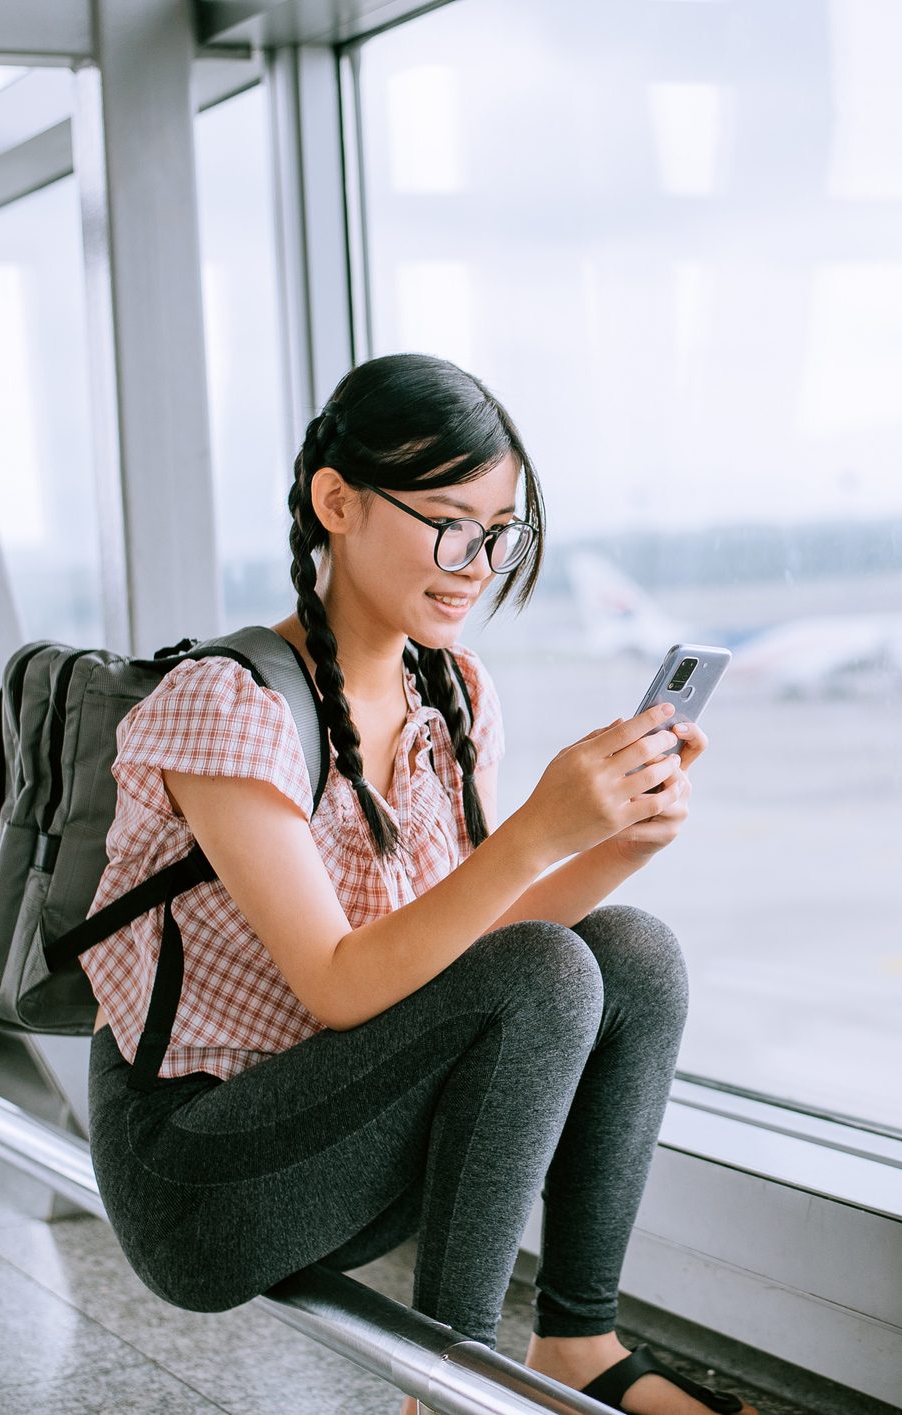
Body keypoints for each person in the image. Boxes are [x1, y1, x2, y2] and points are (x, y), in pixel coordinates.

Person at [80, 353, 753, 1415]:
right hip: (202, 1172)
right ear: (336, 502)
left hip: (351, 1128)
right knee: (541, 967)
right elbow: (340, 985)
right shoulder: (227, 700)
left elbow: (471, 953)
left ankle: (577, 1339)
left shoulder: (453, 691)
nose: (476, 562)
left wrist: (618, 841)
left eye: (498, 532)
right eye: (450, 522)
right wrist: (535, 830)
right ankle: (445, 1391)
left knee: (633, 952)